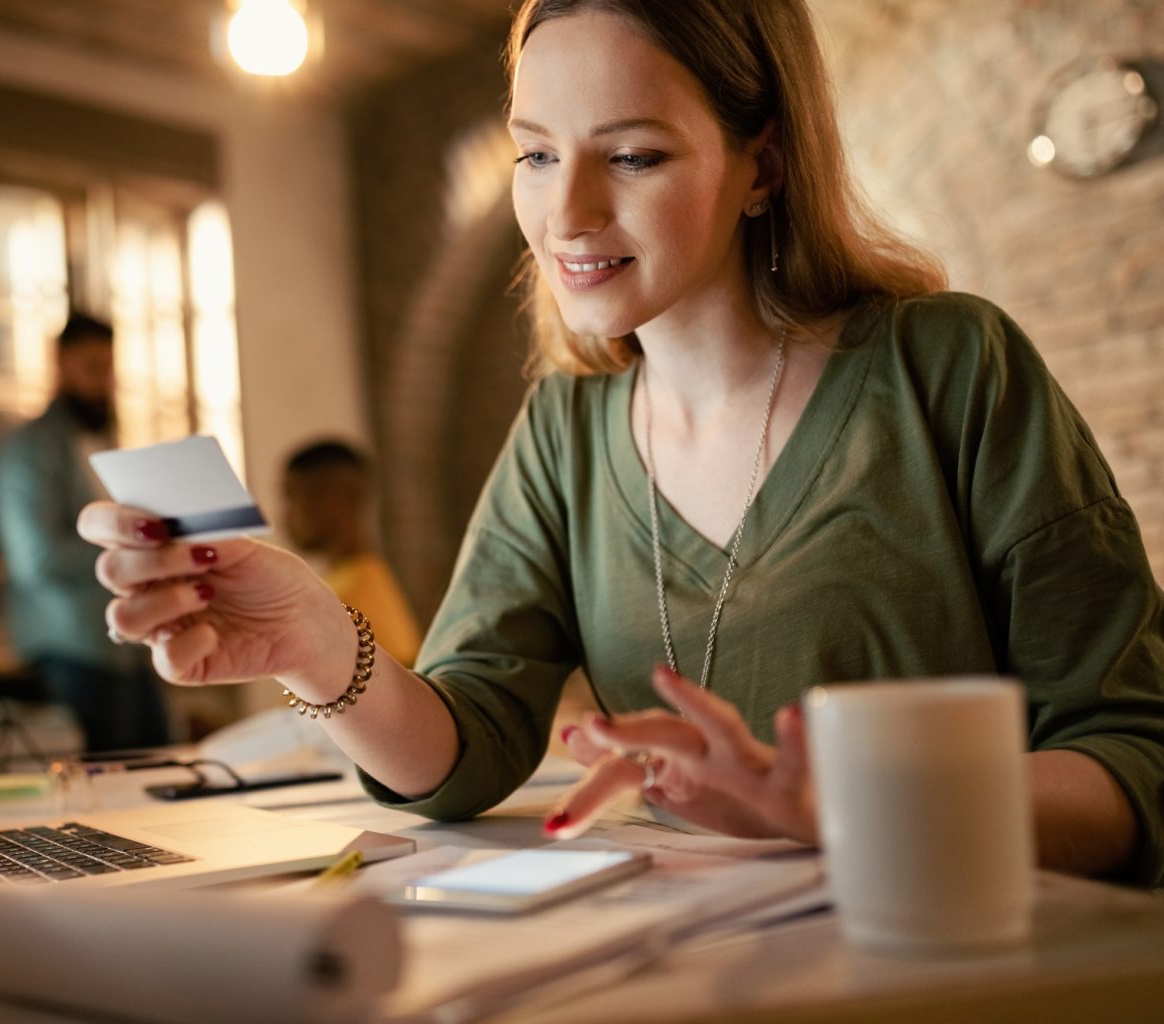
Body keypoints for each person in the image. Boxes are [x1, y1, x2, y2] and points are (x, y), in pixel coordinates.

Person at [78, 0, 1164, 885]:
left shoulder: (950, 368)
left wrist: (847, 805)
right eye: (536, 155)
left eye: (633, 156)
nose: (566, 213)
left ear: (764, 168)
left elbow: (1134, 763)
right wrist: (317, 640)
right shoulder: (565, 429)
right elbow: (467, 750)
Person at [0, 312, 169, 753]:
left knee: (161, 769)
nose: (103, 380)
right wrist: (138, 552)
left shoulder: (110, 440)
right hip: (71, 651)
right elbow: (36, 561)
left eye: (109, 367)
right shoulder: (27, 450)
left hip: (128, 647)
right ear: (61, 365)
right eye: (92, 367)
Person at [281, 440, 423, 667]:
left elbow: (400, 686)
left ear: (331, 499)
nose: (285, 515)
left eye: (291, 497)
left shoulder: (360, 592)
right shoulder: (338, 583)